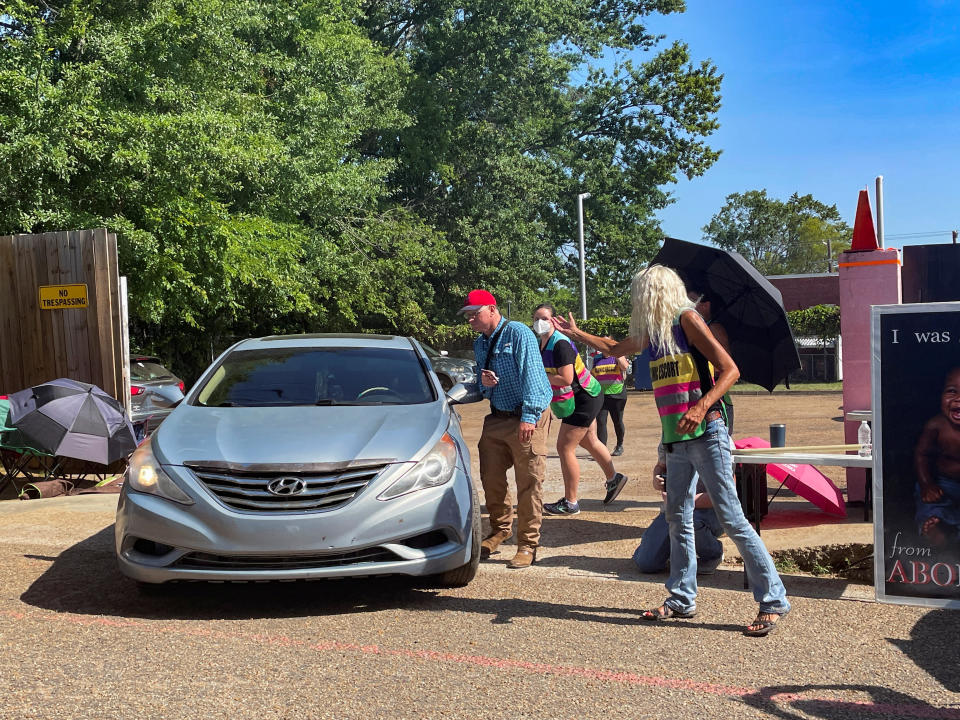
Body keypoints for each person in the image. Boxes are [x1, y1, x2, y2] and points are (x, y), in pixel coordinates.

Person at [551, 264, 791, 637]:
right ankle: (681, 598)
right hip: (676, 440)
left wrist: (700, 407)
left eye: (640, 295)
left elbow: (730, 370)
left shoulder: (688, 320)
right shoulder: (654, 334)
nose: (637, 302)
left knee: (732, 517)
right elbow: (614, 348)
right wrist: (576, 332)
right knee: (677, 516)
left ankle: (774, 599)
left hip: (707, 431)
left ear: (655, 293)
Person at [460, 289, 553, 569]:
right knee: (491, 477)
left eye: (474, 314)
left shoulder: (518, 333)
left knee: (529, 482)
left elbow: (534, 377)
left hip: (527, 414)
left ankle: (528, 545)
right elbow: (480, 382)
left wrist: (529, 416)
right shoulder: (480, 343)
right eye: (467, 315)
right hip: (498, 416)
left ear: (491, 309)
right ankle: (500, 531)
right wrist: (483, 385)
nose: (470, 320)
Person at [531, 304, 628, 513]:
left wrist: (538, 378)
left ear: (554, 320)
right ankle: (614, 478)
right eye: (536, 318)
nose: (540, 322)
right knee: (589, 440)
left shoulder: (560, 345)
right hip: (584, 396)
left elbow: (565, 378)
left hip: (584, 397)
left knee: (565, 447)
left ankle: (571, 502)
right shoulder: (543, 344)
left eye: (545, 318)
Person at [632, 446, 724, 575]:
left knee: (692, 521)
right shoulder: (669, 434)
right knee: (646, 563)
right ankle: (666, 548)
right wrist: (656, 478)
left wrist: (682, 501)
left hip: (707, 513)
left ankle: (712, 554)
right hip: (673, 510)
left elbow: (723, 495)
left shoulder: (717, 438)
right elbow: (660, 466)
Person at [913, 366, 960, 547]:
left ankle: (951, 532)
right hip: (943, 484)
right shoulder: (936, 425)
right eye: (951, 391)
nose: (958, 399)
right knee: (929, 504)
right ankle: (937, 529)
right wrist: (927, 484)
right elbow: (922, 455)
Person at [589, 339, 630, 456]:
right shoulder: (597, 358)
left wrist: (616, 353)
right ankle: (603, 450)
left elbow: (625, 367)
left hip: (617, 395)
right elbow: (593, 374)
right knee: (601, 422)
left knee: (617, 421)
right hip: (601, 395)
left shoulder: (617, 356)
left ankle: (619, 445)